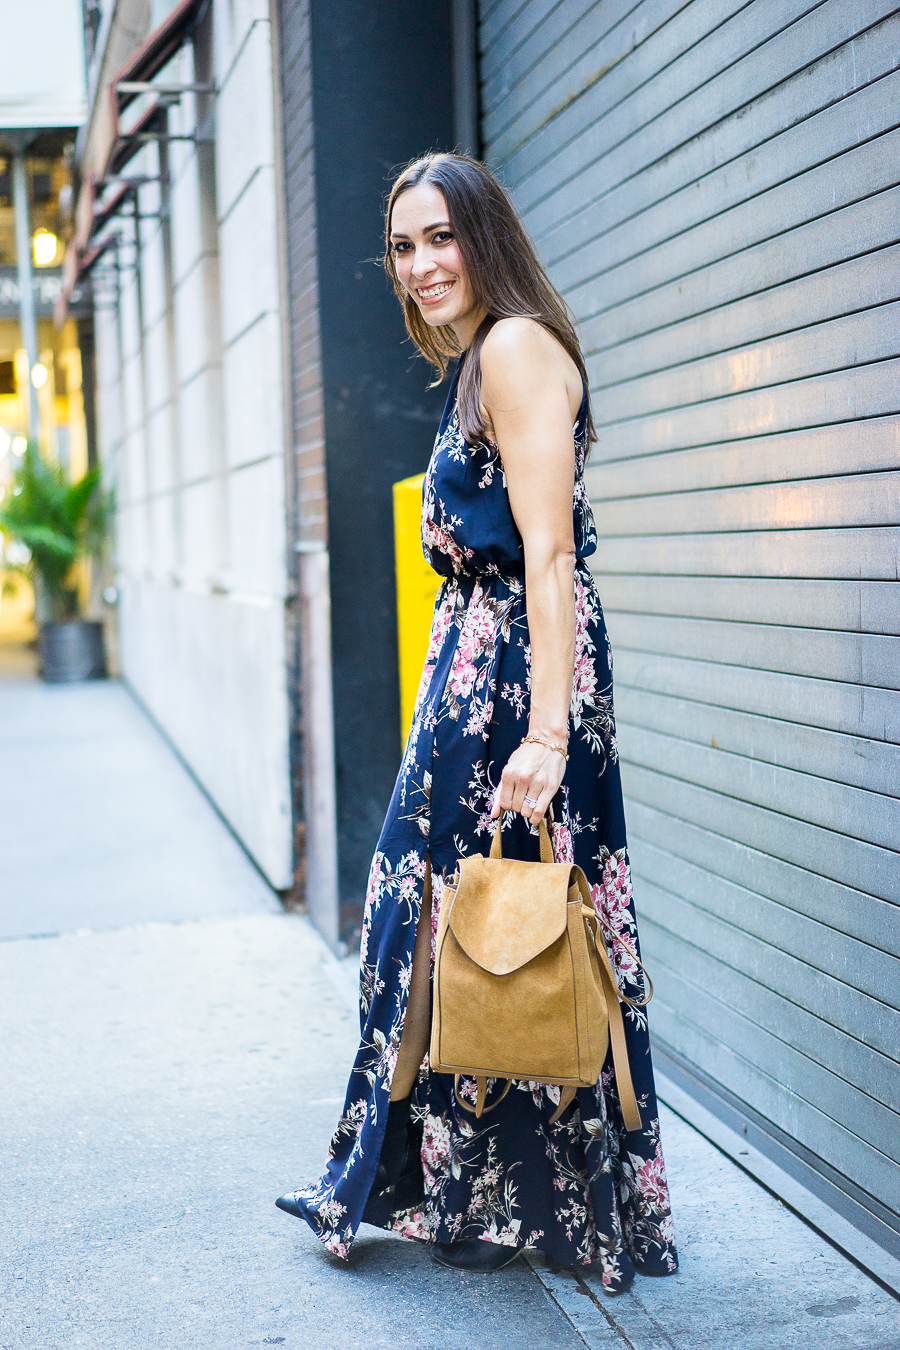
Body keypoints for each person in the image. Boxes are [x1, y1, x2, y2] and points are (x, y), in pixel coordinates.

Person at [276, 152, 678, 1292]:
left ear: (485, 236)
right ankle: (446, 1189)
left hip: (516, 689)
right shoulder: (478, 364)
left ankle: (518, 1203)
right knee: (458, 931)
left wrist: (545, 736)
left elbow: (547, 556)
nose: (420, 265)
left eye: (440, 236)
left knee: (530, 930)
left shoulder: (514, 349)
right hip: (474, 683)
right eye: (404, 247)